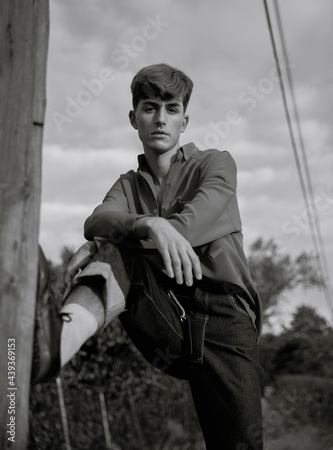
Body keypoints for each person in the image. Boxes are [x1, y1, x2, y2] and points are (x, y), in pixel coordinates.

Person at [32, 63, 264, 449]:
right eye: (150, 107)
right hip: (166, 314)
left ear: (184, 121)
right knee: (115, 248)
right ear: (133, 117)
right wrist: (144, 225)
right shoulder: (127, 183)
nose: (160, 118)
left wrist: (127, 230)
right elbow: (97, 220)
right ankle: (52, 348)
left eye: (171, 109)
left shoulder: (216, 164)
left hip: (226, 322)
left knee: (238, 444)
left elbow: (186, 228)